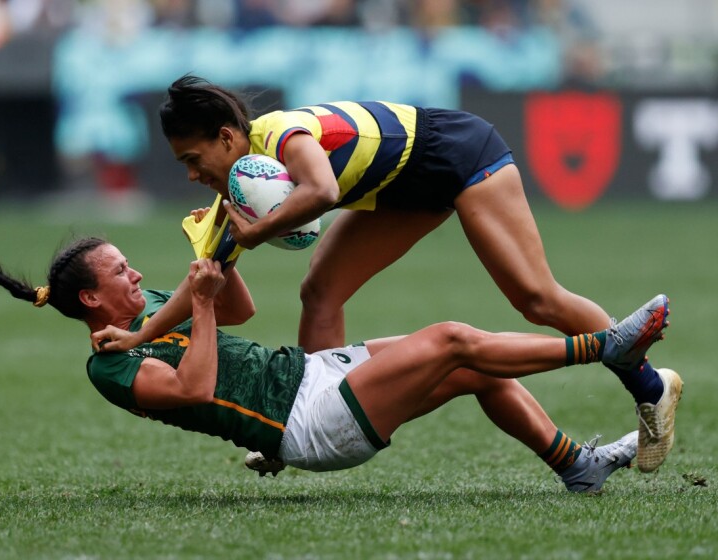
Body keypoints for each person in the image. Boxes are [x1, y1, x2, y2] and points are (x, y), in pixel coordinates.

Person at [99, 75, 681, 473]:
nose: (192, 175)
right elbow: (204, 282)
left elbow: (322, 191)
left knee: (535, 298)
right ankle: (297, 419)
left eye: (193, 160)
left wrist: (254, 232)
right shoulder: (240, 186)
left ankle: (651, 390)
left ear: (227, 138)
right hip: (400, 189)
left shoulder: (278, 135)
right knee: (320, 289)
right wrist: (139, 336)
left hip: (456, 152)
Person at [0, 196, 677, 491]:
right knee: (453, 340)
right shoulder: (108, 366)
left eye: (131, 264)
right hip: (305, 425)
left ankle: (576, 466)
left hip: (311, 374)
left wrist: (224, 251)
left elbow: (242, 312)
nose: (136, 272)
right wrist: (195, 305)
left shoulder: (150, 310)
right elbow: (194, 390)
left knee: (469, 356)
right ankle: (601, 349)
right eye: (120, 272)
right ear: (90, 299)